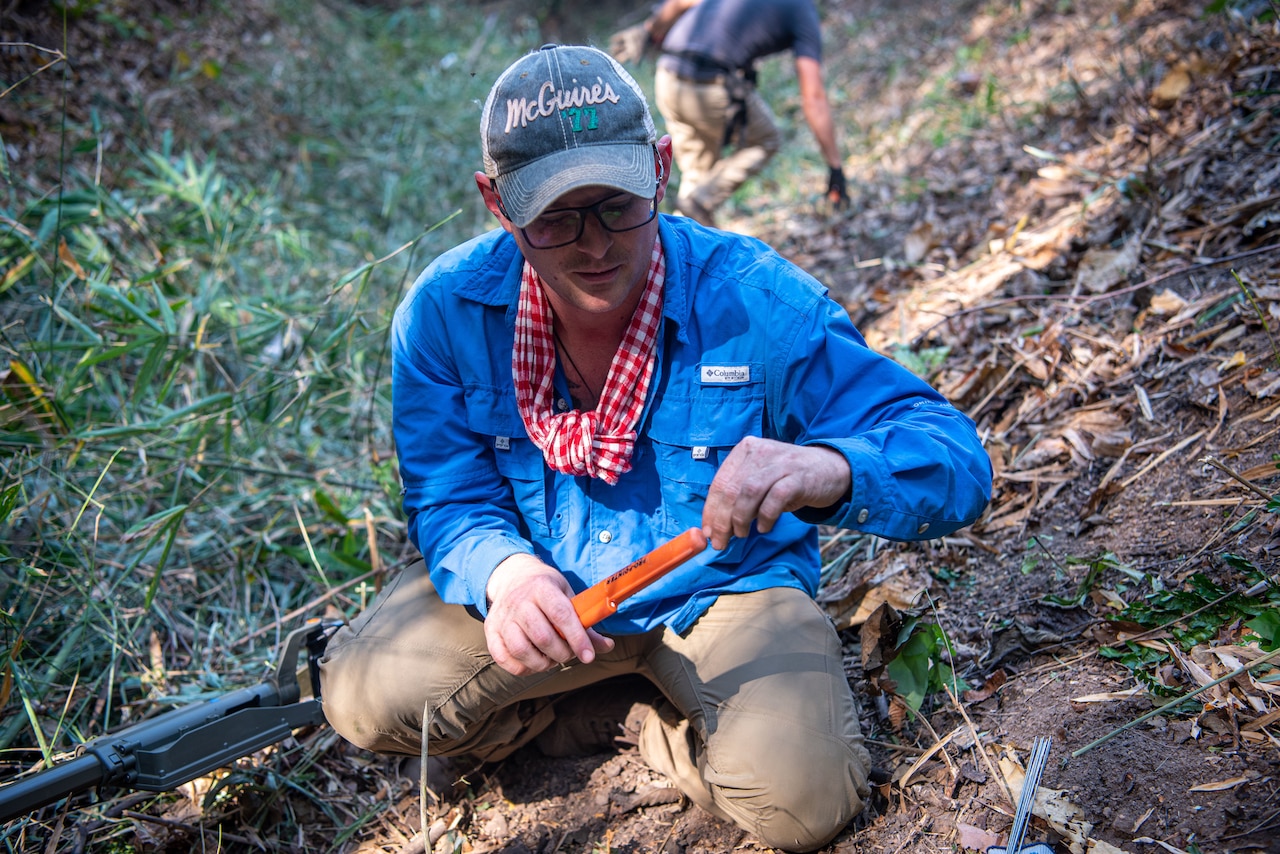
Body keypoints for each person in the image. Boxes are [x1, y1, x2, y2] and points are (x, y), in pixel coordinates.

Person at [320, 44, 991, 853]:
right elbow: (448, 494)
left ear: (663, 168)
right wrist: (506, 573)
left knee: (804, 801)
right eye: (556, 216)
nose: (594, 243)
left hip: (721, 596)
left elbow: (953, 458)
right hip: (555, 600)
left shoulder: (755, 301)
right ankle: (580, 708)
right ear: (497, 204)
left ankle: (638, 725)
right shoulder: (444, 314)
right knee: (361, 696)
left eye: (618, 205)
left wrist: (825, 466)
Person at [613, 0, 848, 227]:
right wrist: (835, 168)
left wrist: (648, 29)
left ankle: (680, 248)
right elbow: (813, 97)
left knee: (698, 173)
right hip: (707, 81)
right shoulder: (802, 9)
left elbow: (682, 2)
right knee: (765, 139)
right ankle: (700, 201)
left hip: (668, 76)